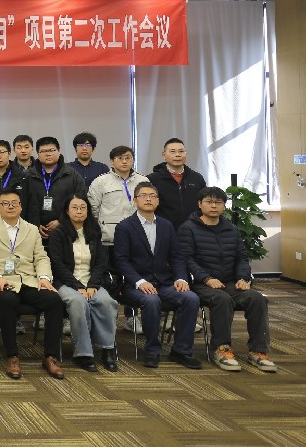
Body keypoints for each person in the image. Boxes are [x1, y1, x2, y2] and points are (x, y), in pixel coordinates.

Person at [178, 187, 277, 372]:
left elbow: (241, 258)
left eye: (218, 202)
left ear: (224, 205)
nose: (214, 206)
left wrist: (243, 278)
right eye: (209, 202)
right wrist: (207, 278)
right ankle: (221, 349)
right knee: (221, 299)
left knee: (257, 299)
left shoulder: (231, 229)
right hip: (200, 283)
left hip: (230, 282)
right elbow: (186, 259)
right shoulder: (188, 228)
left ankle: (258, 351)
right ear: (200, 204)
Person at [0, 187, 65, 380]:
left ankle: (50, 356)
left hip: (29, 281)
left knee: (54, 301)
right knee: (8, 301)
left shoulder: (31, 229)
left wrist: (44, 277)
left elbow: (41, 257)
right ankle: (12, 356)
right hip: (2, 282)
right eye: (5, 204)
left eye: (14, 203)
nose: (10, 207)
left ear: (21, 206)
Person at [113, 181, 201, 369]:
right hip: (135, 285)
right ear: (135, 200)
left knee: (191, 298)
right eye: (143, 196)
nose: (148, 199)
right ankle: (152, 350)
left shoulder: (166, 225)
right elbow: (121, 261)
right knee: (151, 301)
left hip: (164, 283)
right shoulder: (124, 227)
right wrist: (139, 281)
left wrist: (181, 278)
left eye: (153, 196)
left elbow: (176, 256)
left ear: (158, 201)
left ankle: (182, 350)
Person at [47, 194, 119, 372]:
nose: (79, 211)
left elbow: (101, 263)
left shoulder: (94, 232)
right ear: (67, 211)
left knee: (106, 301)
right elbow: (57, 265)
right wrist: (78, 286)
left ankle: (107, 349)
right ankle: (84, 354)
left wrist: (92, 285)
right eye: (75, 207)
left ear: (88, 211)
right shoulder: (58, 233)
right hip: (66, 282)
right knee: (78, 302)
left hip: (91, 282)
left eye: (83, 208)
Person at [25, 136, 85, 239]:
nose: (48, 154)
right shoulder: (28, 176)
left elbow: (81, 202)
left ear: (59, 152)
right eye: (43, 151)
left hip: (66, 233)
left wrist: (61, 221)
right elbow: (23, 204)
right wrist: (34, 225)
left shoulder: (72, 176)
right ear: (38, 154)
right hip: (34, 234)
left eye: (51, 150)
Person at [88, 145, 148, 246]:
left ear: (133, 160)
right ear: (112, 161)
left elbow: (149, 206)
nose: (124, 161)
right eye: (120, 158)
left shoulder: (143, 181)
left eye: (128, 158)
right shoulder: (100, 182)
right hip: (109, 239)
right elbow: (93, 209)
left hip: (138, 236)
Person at [148, 138, 207, 231]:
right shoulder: (153, 179)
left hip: (194, 230)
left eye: (181, 151)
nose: (178, 155)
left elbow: (204, 203)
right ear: (164, 155)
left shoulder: (197, 178)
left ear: (185, 154)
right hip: (163, 230)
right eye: (172, 151)